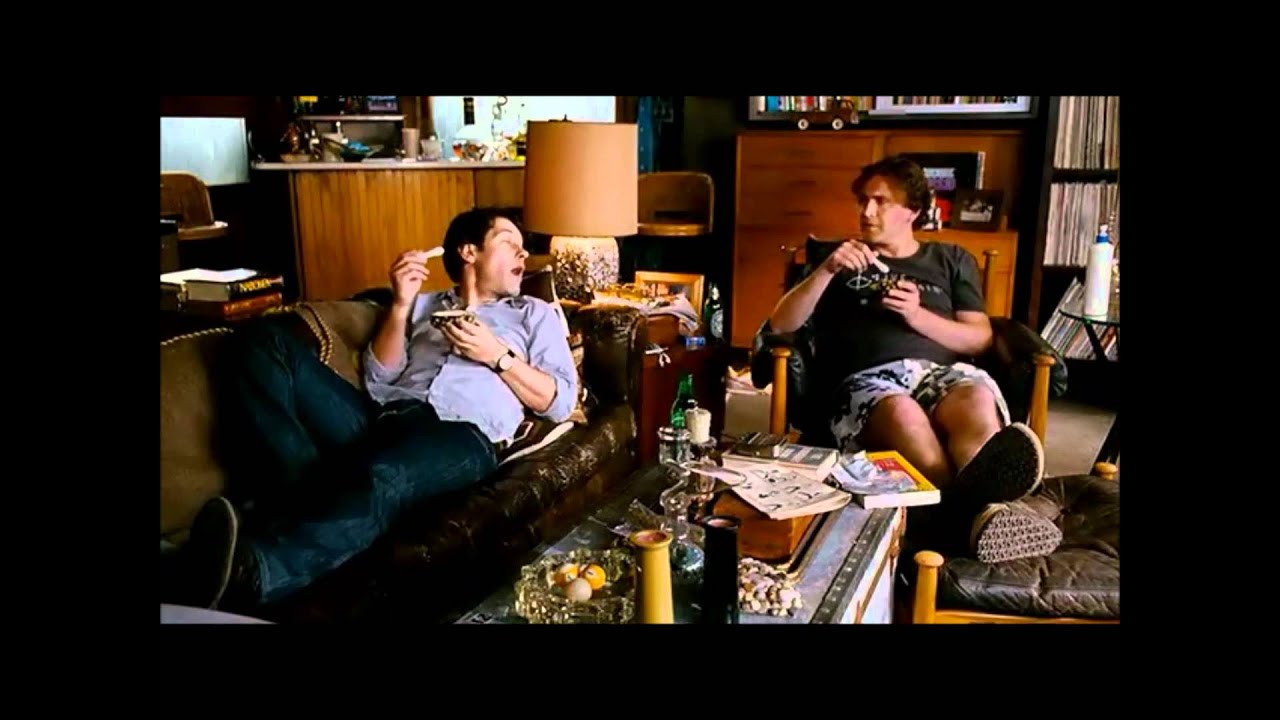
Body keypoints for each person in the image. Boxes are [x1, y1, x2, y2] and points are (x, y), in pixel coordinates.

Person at [174, 208, 577, 611]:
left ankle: (252, 573)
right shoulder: (423, 306)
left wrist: (497, 356)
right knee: (264, 340)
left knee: (384, 474)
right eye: (509, 243)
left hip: (462, 435)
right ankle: (298, 498)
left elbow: (560, 402)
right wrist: (400, 304)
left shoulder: (532, 313)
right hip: (382, 419)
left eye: (523, 248)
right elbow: (380, 379)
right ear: (469, 252)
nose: (524, 254)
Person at [767, 156, 1059, 563]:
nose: (867, 211)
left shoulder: (950, 259)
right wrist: (826, 270)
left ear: (914, 211)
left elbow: (979, 338)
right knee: (904, 413)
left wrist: (917, 316)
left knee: (975, 400)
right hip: (869, 381)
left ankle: (971, 515)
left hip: (944, 374)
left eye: (881, 201)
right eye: (863, 200)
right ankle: (979, 516)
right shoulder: (840, 258)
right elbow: (781, 323)